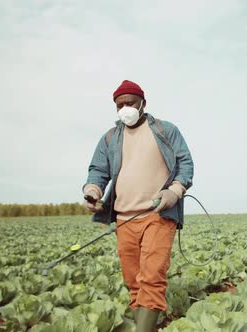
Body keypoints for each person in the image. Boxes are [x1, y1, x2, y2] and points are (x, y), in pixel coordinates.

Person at [83, 80, 194, 331]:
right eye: (120, 105)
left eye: (130, 103)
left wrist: (174, 192)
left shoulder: (166, 131)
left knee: (152, 277)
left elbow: (185, 164)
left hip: (158, 214)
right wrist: (92, 190)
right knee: (133, 280)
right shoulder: (110, 138)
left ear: (143, 102)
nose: (125, 109)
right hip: (124, 219)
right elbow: (98, 171)